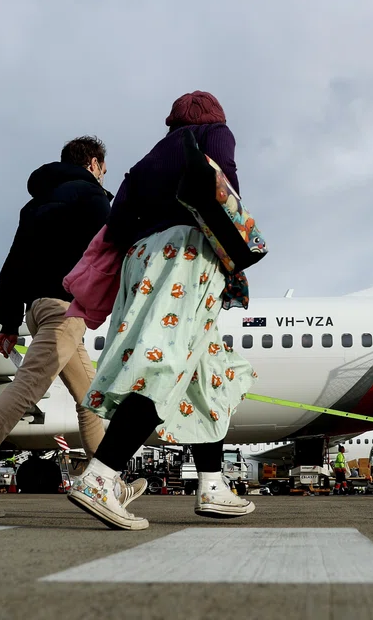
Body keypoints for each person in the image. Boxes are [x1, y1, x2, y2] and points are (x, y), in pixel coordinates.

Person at [66, 91, 257, 530]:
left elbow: (115, 224)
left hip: (143, 260)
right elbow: (224, 188)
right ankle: (101, 476)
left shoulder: (148, 160)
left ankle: (211, 483)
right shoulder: (214, 134)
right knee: (164, 365)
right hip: (186, 256)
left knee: (206, 372)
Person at [0, 136, 146, 517]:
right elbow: (118, 247)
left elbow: (13, 265)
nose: (105, 175)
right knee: (25, 390)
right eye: (104, 167)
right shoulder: (93, 197)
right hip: (64, 311)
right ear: (94, 163)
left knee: (91, 398)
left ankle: (107, 483)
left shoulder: (35, 204)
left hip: (39, 308)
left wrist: (9, 322)